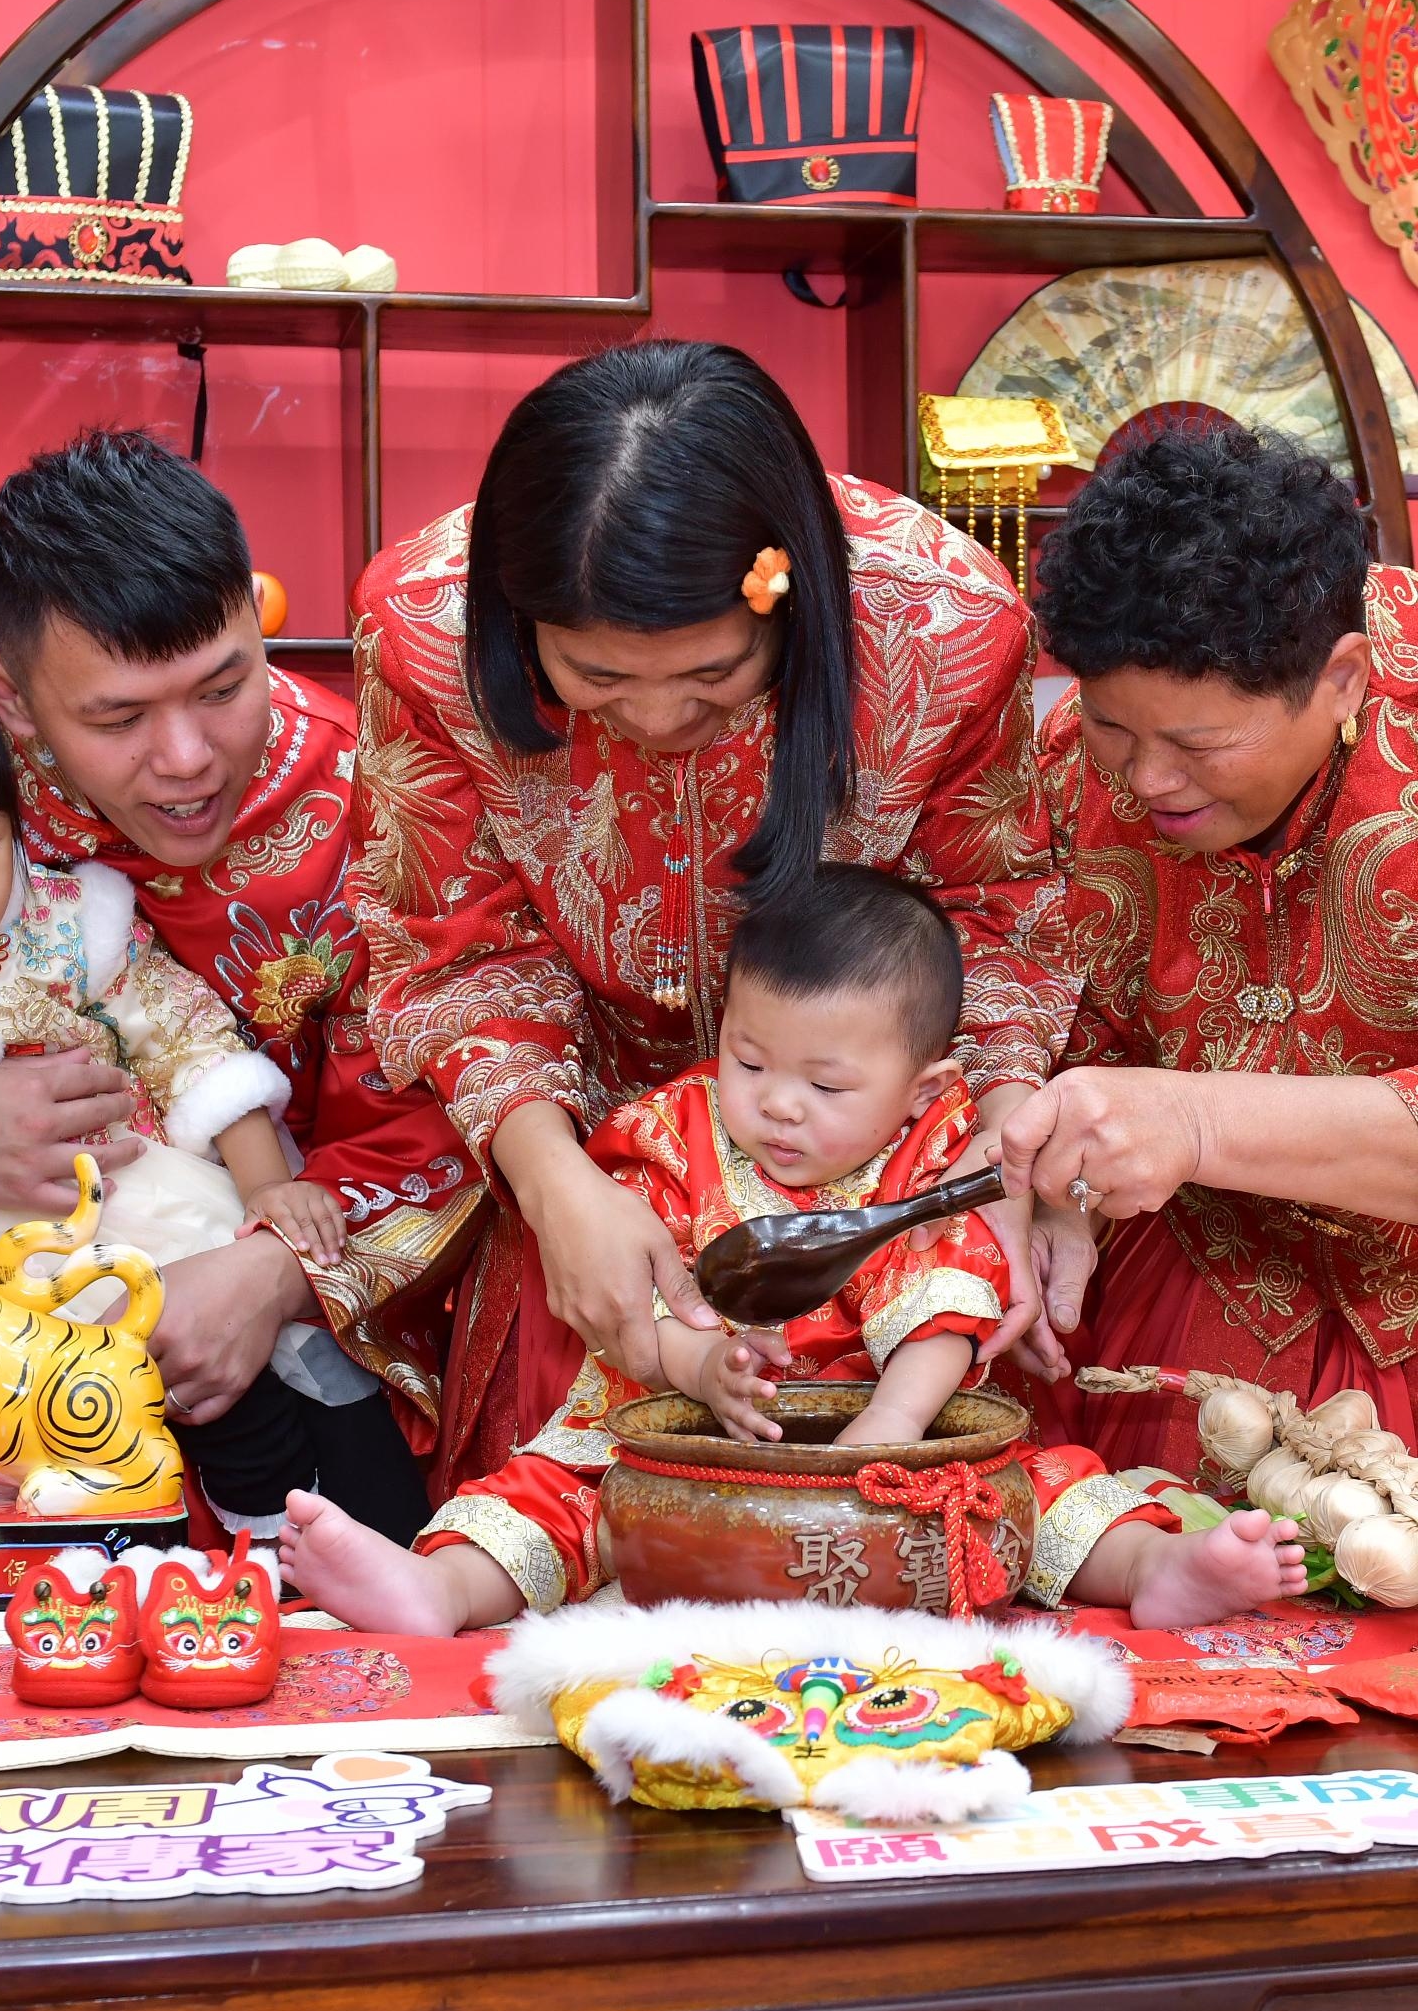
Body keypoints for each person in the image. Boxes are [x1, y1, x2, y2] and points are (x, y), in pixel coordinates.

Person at [349, 338, 1070, 1488]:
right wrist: (558, 1183)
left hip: (885, 1204)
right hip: (591, 1192)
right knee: (574, 1566)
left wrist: (999, 1154)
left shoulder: (946, 624)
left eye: (711, 677)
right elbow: (454, 942)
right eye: (594, 677)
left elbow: (995, 919)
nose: (652, 716)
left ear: (787, 606)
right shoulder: (423, 631)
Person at [281, 866, 1306, 1631]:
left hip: (901, 1439)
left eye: (824, 1085)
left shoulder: (943, 1142)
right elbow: (641, 1295)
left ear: (916, 1085)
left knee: (1026, 1489)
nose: (774, 1102)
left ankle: (1155, 1573)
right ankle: (438, 1586)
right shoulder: (669, 1131)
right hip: (684, 1435)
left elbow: (954, 1279)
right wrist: (694, 1363)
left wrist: (892, 1425)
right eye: (749, 1057)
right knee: (554, 1494)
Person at [0, 433, 482, 1478]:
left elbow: (444, 1116)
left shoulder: (382, 813)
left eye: (222, 687)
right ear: (13, 696)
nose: (184, 759)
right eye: (117, 715)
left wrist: (266, 1276)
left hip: (282, 1320)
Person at [0, 617, 427, 1542]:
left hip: (135, 1208)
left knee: (272, 1358)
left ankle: (348, 1543)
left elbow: (190, 1043)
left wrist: (267, 1193)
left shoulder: (67, 922)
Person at [998, 426, 1418, 1474]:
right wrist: (1052, 1190)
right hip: (1178, 1294)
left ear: (1341, 678)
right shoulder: (1062, 770)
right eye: (1108, 726)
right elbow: (1027, 1012)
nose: (1143, 782)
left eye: (1196, 744)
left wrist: (1190, 1116)